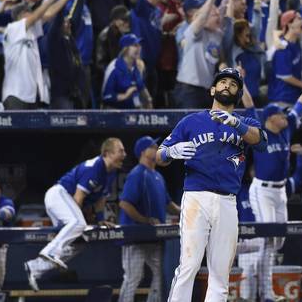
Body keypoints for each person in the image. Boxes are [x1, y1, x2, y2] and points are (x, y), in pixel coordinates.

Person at [156, 68, 267, 302]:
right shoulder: (191, 121)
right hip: (197, 197)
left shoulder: (245, 122)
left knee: (220, 273)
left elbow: (260, 141)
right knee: (189, 264)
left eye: (233, 84)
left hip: (228, 201)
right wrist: (171, 151)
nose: (227, 85)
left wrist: (236, 123)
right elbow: (159, 156)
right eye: (222, 82)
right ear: (213, 90)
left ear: (237, 94)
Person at [242, 69, 302, 301]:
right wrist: (242, 80)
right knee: (268, 236)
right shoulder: (260, 131)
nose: (286, 117)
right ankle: (265, 291)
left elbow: (300, 104)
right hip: (262, 190)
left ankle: (249, 257)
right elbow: (248, 104)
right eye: (281, 115)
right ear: (271, 118)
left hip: (280, 191)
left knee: (278, 240)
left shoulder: (287, 130)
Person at [24, 138, 126, 291]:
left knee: (78, 243)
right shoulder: (95, 168)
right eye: (120, 151)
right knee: (78, 224)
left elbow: (100, 199)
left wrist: (100, 220)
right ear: (107, 154)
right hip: (58, 195)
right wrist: (79, 220)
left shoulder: (110, 173)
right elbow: (78, 198)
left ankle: (35, 267)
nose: (124, 154)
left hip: (64, 202)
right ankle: (50, 251)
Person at [118, 136, 180, 302]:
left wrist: (187, 211)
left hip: (153, 237)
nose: (157, 148)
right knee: (133, 277)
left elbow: (169, 204)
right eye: (153, 146)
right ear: (144, 152)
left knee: (159, 275)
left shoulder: (158, 176)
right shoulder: (137, 174)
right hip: (135, 236)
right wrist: (145, 220)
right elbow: (124, 203)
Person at [102, 33, 153, 109]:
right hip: (114, 112)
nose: (139, 48)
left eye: (139, 45)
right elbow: (106, 97)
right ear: (125, 49)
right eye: (135, 45)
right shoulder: (114, 67)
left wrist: (148, 101)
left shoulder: (136, 66)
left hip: (133, 111)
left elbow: (141, 86)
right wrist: (125, 96)